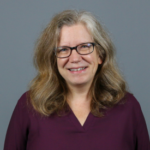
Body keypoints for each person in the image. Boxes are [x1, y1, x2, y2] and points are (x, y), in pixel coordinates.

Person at [4, 10, 150, 150]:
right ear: (53, 60)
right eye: (63, 50)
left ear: (100, 55)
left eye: (85, 47)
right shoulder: (29, 106)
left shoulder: (128, 107)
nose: (74, 58)